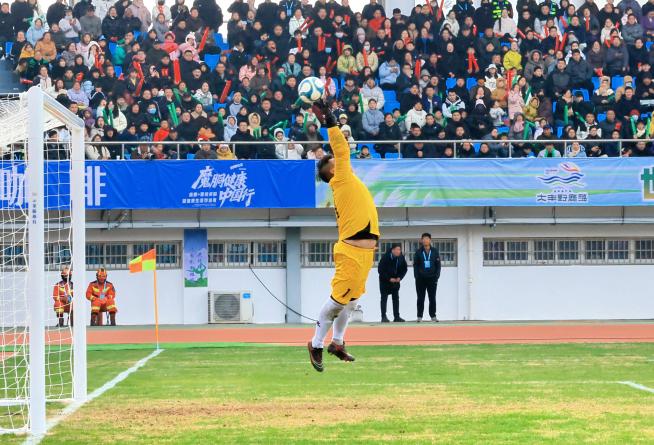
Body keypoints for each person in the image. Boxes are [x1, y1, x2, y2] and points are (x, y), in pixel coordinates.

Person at [308, 99, 380, 373]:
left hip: (363, 253)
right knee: (337, 303)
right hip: (351, 253)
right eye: (336, 160)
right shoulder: (342, 178)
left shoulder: (346, 181)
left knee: (351, 301)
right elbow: (341, 146)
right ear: (332, 170)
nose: (341, 159)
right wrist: (329, 120)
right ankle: (315, 343)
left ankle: (336, 343)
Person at [413, 233, 441, 322]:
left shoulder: (435, 251)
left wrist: (437, 276)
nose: (425, 240)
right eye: (424, 239)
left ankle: (433, 316)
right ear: (421, 240)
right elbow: (415, 265)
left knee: (432, 298)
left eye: (427, 239)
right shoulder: (418, 252)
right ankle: (419, 316)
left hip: (432, 278)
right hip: (420, 279)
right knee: (420, 298)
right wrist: (416, 276)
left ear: (430, 240)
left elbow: (438, 265)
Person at [377, 243, 407, 323]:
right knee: (384, 298)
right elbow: (380, 270)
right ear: (392, 250)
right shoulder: (385, 257)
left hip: (396, 281)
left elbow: (404, 269)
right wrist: (389, 279)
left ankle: (396, 317)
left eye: (400, 250)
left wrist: (400, 277)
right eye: (397, 249)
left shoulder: (401, 257)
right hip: (385, 281)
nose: (399, 251)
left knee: (396, 298)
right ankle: (383, 316)